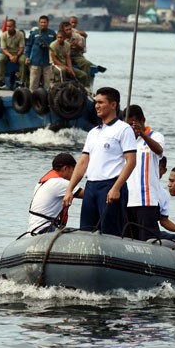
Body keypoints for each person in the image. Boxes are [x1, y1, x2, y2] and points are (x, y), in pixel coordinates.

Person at [63, 87, 137, 236]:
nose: (96, 106)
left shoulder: (123, 129)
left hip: (110, 185)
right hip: (91, 186)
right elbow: (83, 162)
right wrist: (70, 189)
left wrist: (116, 188)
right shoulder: (93, 132)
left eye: (101, 102)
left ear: (113, 105)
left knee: (110, 232)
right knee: (86, 230)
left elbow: (131, 162)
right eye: (96, 102)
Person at [124, 104, 166, 241]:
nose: (131, 128)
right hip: (126, 199)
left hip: (146, 201)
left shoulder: (155, 136)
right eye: (127, 125)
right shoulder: (124, 140)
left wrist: (141, 133)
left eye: (133, 124)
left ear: (143, 120)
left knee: (148, 239)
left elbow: (159, 150)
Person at [27, 153, 80, 235]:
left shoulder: (43, 182)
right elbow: (87, 194)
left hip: (33, 230)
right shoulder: (59, 183)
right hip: (44, 230)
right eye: (73, 170)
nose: (74, 175)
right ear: (65, 168)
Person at [25, 15, 56, 90]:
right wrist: (27, 57)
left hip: (48, 63)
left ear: (48, 23)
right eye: (41, 22)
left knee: (48, 85)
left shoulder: (52, 33)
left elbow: (55, 47)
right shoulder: (34, 33)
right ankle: (32, 99)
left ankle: (47, 100)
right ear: (39, 23)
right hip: (35, 62)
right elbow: (28, 46)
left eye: (44, 22)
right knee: (33, 84)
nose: (43, 24)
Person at [156, 157, 175, 240]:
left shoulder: (163, 194)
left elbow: (164, 221)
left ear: (164, 170)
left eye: (156, 168)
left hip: (154, 233)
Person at [0, 19, 27, 87]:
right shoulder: (3, 35)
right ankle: (1, 80)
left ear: (14, 26)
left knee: (23, 60)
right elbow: (3, 48)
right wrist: (10, 56)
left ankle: (22, 81)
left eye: (10, 26)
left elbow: (21, 47)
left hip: (18, 53)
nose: (8, 28)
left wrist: (16, 56)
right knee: (1, 59)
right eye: (7, 26)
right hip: (7, 53)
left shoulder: (20, 34)